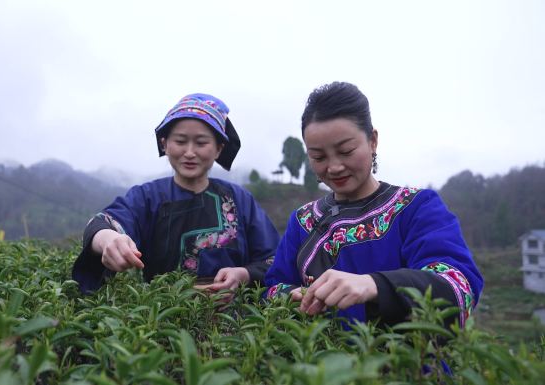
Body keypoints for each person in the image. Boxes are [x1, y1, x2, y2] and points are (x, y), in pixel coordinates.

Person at [264, 82, 483, 327]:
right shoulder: (303, 222)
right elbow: (272, 287)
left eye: (346, 151)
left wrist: (375, 285)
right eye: (319, 157)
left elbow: (458, 284)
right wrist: (291, 296)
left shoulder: (416, 208)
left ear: (373, 141)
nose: (334, 167)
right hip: (320, 363)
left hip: (406, 363)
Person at [72, 93, 280, 294]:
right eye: (180, 141)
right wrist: (108, 240)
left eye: (201, 143)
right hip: (163, 318)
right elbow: (102, 224)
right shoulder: (148, 197)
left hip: (236, 322)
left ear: (219, 149)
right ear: (165, 144)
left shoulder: (239, 199)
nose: (189, 152)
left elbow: (273, 258)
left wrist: (244, 273)